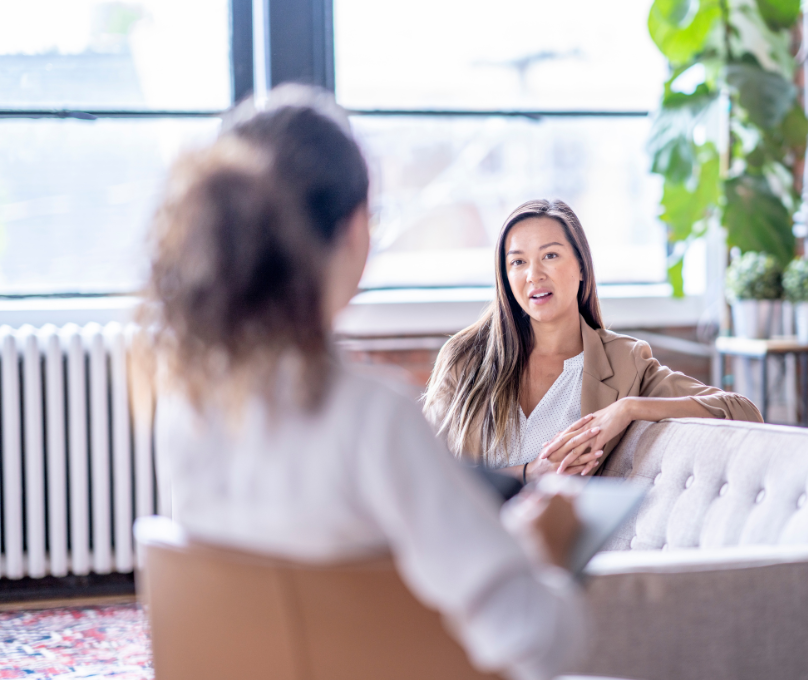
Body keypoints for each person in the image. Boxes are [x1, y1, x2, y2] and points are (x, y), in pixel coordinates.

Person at [143, 86, 586, 680]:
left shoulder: (187, 404)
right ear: (355, 229)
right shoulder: (373, 416)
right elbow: (539, 639)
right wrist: (540, 553)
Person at [424, 199, 763, 482]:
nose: (534, 274)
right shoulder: (465, 358)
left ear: (582, 266)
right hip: (474, 544)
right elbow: (423, 472)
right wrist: (530, 473)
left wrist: (629, 408)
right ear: (506, 276)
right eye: (518, 262)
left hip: (568, 551)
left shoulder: (623, 361)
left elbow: (742, 412)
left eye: (551, 255)